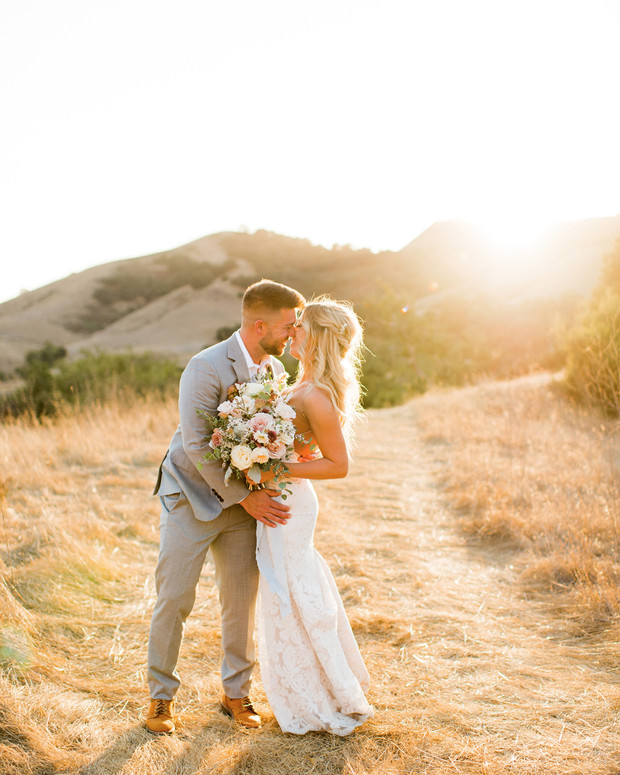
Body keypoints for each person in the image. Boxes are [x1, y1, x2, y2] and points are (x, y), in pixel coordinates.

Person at [145, 279, 305, 735]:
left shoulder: (275, 372)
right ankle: (160, 698)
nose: (292, 334)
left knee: (240, 603)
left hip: (244, 508)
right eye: (288, 326)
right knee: (174, 598)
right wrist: (245, 496)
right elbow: (196, 444)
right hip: (190, 498)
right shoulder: (205, 365)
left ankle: (236, 693)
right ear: (260, 325)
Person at [254, 296, 373, 735]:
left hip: (291, 503)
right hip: (279, 497)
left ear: (317, 336)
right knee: (287, 587)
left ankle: (316, 693)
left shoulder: (318, 395)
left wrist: (276, 467)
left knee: (292, 589)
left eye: (300, 325)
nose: (292, 331)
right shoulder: (298, 385)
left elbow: (337, 465)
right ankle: (314, 683)